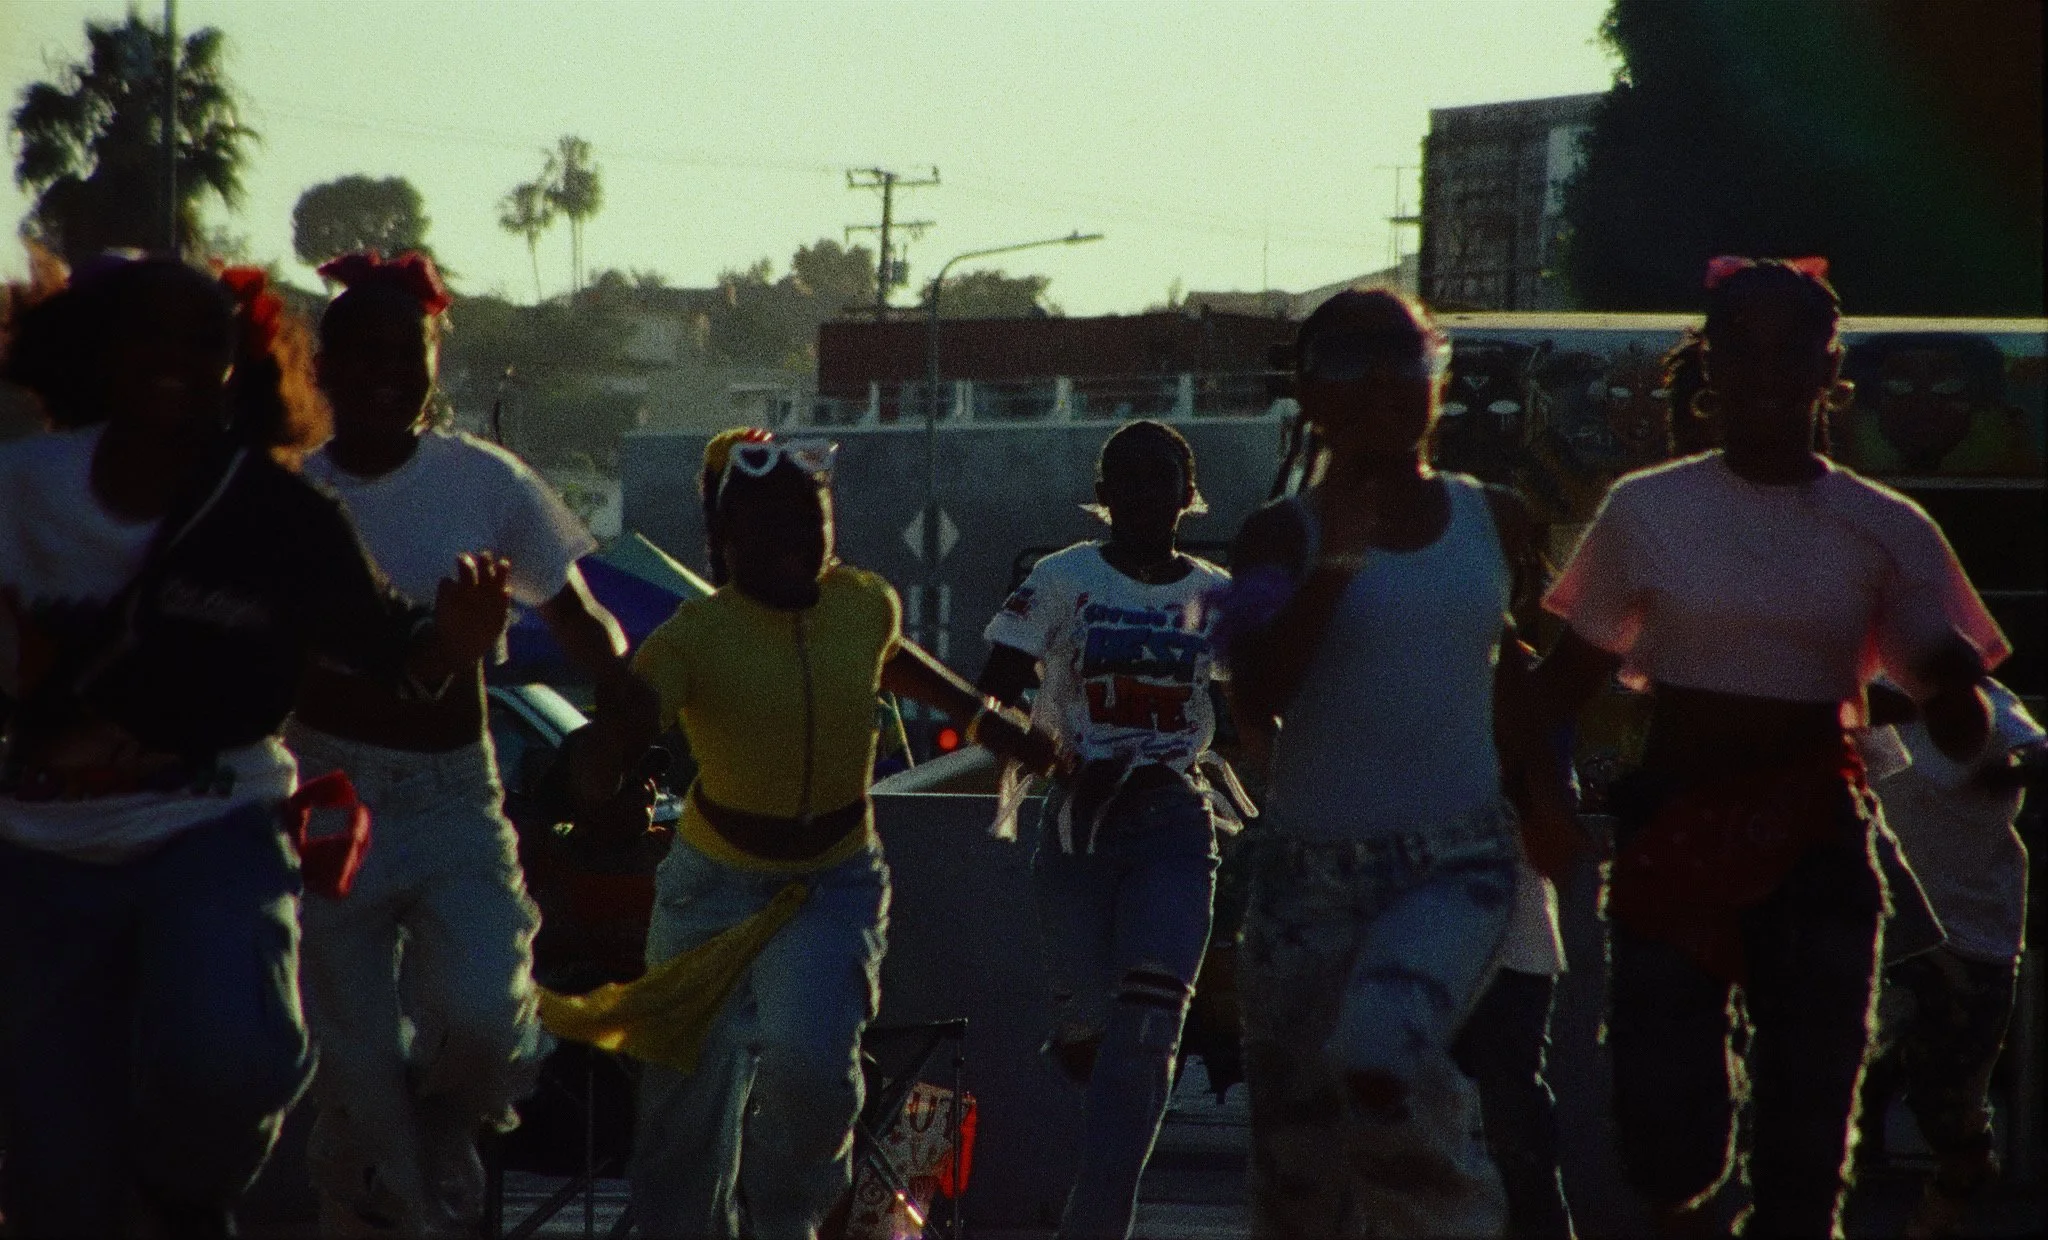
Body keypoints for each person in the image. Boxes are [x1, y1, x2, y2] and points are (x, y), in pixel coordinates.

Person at [0, 257, 508, 1237]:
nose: (177, 361)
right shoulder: (22, 491)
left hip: (216, 826)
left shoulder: (278, 514)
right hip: (41, 850)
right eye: (151, 336)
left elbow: (392, 647)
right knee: (53, 1171)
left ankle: (181, 1198)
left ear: (240, 364)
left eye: (206, 342)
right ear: (100, 352)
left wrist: (454, 643)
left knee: (238, 1061)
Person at [1533, 257, 2010, 1238]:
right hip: (1671, 836)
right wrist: (1534, 802)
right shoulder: (1645, 509)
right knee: (1665, 1140)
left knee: (1806, 1140)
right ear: (1707, 364)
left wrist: (1952, 688)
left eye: (1791, 349)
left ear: (1828, 368)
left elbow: (1958, 722)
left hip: (1817, 841)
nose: (1765, 371)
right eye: (1740, 348)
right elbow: (1560, 684)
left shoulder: (1885, 526)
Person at [592, 428, 1058, 1240]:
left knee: (816, 1080)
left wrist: (986, 719)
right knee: (687, 1109)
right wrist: (604, 758)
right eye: (769, 526)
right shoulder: (693, 636)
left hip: (832, 885)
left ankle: (786, 1224)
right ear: (724, 541)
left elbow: (890, 656)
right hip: (712, 891)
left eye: (812, 521)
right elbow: (633, 718)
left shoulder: (864, 603)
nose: (796, 542)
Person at [285, 250, 642, 1235]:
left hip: (452, 795)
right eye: (363, 352)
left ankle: (434, 1146)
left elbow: (578, 617)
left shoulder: (483, 480)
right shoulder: (286, 494)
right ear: (321, 366)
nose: (386, 373)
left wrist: (620, 688)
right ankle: (382, 1191)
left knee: (485, 1021)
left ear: (434, 362)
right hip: (325, 797)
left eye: (407, 352)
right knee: (357, 1067)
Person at [1218, 288, 1583, 1237]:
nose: (1381, 380)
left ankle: (1458, 1216)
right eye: (1348, 361)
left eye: (1406, 357)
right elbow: (1255, 695)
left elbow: (1507, 666)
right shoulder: (1276, 535)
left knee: (1379, 1055)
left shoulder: (1497, 518)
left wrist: (1546, 797)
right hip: (1305, 877)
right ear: (1308, 392)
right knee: (1298, 1171)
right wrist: (1335, 564)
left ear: (1440, 378)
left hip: (1454, 861)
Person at [976, 419, 1242, 1239]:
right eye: (1129, 479)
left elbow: (1251, 712)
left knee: (1150, 1034)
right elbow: (991, 694)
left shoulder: (1217, 593)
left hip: (1175, 825)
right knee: (1093, 1048)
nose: (1146, 495)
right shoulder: (1063, 578)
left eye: (1163, 479)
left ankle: (1095, 1225)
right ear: (1103, 494)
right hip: (1078, 831)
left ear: (1188, 494)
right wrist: (1054, 758)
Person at [1856, 678, 2044, 1239]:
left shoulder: (1983, 700)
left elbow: (2034, 750)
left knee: (1951, 1105)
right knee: (1838, 1075)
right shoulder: (1859, 691)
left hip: (1971, 932)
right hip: (1883, 925)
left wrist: (2011, 771)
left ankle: (1951, 1191)